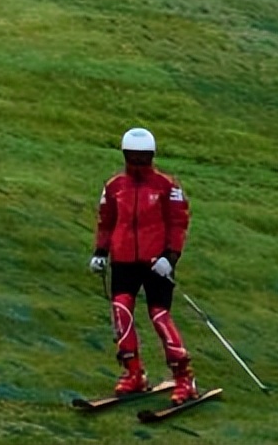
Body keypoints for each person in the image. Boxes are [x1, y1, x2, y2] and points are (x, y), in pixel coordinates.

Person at [88, 126, 198, 405]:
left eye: (143, 157)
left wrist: (170, 258)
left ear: (151, 156)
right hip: (123, 259)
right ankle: (133, 372)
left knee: (160, 315)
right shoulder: (114, 187)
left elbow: (178, 223)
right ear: (125, 155)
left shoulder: (167, 186)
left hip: (156, 261)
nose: (138, 162)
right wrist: (101, 252)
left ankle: (184, 378)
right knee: (121, 312)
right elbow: (106, 221)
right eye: (133, 156)